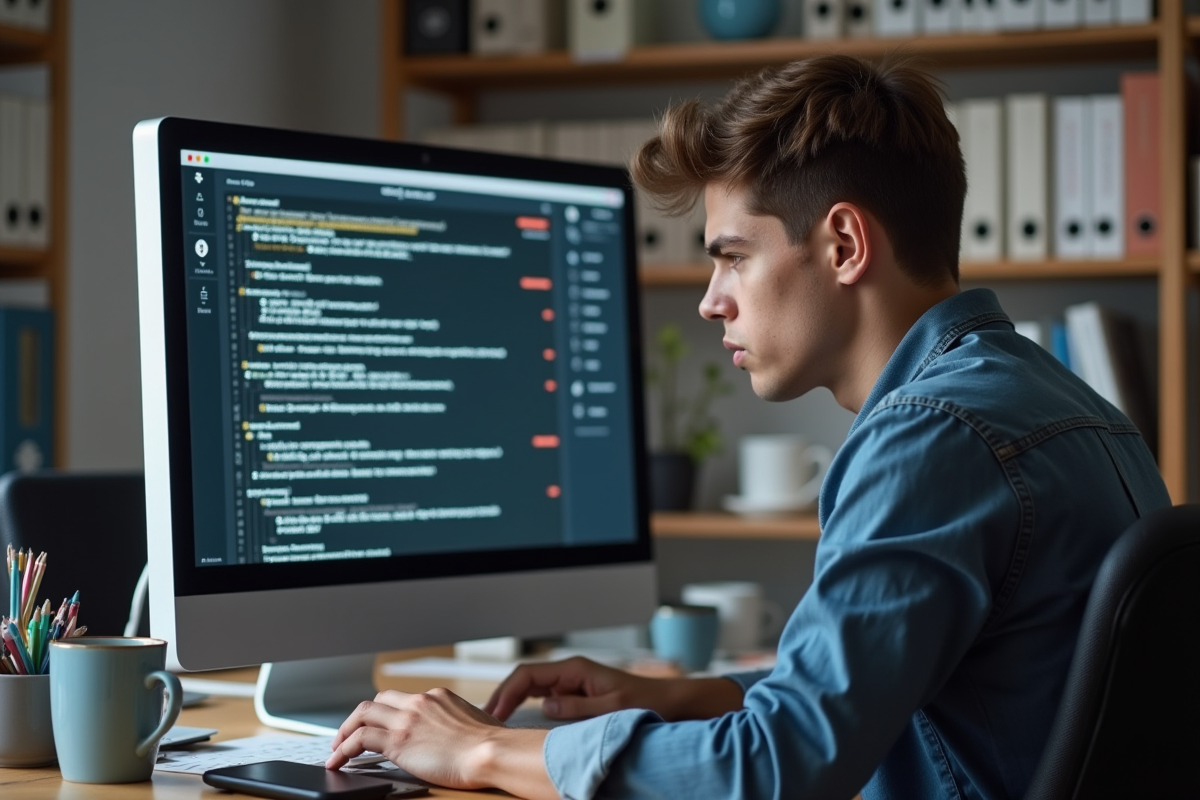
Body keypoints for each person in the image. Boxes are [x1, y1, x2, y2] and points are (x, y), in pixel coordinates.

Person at [326, 55, 1171, 800]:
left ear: (843, 244)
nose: (710, 299)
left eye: (733, 255)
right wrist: (675, 695)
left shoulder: (930, 437)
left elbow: (775, 770)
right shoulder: (1074, 410)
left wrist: (480, 750)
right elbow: (873, 699)